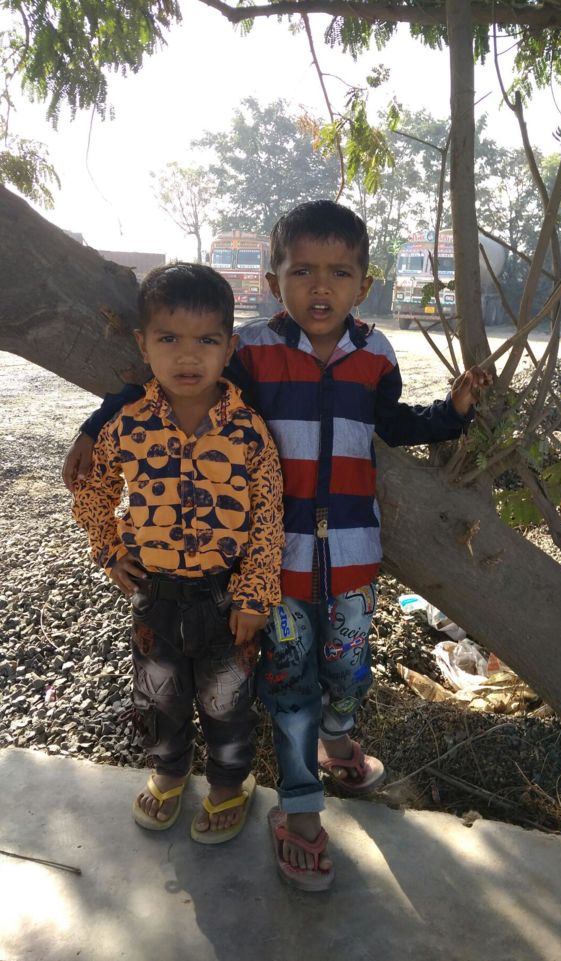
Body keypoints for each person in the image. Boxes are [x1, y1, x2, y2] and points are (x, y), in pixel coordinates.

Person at [64, 201, 491, 888]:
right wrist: (96, 425)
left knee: (348, 674)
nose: (320, 287)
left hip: (353, 557)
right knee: (289, 685)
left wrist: (454, 412)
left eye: (339, 273)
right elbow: (167, 390)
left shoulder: (376, 355)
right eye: (302, 272)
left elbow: (394, 424)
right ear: (273, 281)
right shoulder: (252, 351)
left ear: (363, 284)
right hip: (276, 566)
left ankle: (338, 740)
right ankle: (300, 813)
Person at [71, 263, 284, 844]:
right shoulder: (127, 425)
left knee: (227, 699)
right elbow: (94, 488)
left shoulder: (248, 432)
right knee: (159, 693)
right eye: (169, 339)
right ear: (143, 345)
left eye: (206, 341)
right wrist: (108, 549)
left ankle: (228, 784)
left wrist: (255, 596)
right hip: (154, 596)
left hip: (226, 598)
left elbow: (268, 517)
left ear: (229, 348)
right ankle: (168, 771)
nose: (188, 356)